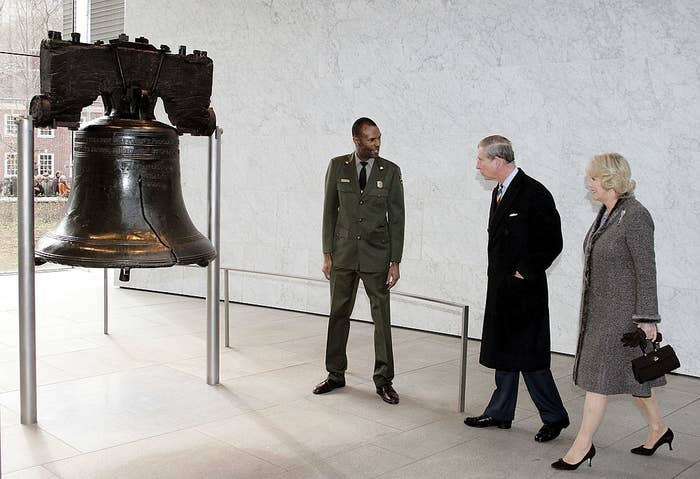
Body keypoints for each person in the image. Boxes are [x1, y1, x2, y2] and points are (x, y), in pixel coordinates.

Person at [552, 153, 670, 470]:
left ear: (608, 180)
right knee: (636, 376)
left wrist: (647, 318)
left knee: (599, 380)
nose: (588, 184)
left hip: (623, 315)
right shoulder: (608, 213)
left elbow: (647, 271)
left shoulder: (636, 216)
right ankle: (659, 428)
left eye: (592, 178)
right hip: (600, 310)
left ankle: (582, 446)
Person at [464, 135, 569, 442]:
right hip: (501, 288)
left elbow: (553, 241)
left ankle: (555, 416)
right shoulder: (498, 191)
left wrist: (526, 271)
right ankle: (500, 411)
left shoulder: (534, 193)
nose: (478, 164)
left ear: (498, 161)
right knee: (503, 352)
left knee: (530, 359)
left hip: (525, 292)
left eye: (481, 159)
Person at [313, 117, 405, 404]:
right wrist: (327, 253)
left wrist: (395, 261)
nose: (377, 144)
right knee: (338, 314)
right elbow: (329, 211)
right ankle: (335, 373)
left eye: (379, 138)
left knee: (381, 319)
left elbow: (397, 218)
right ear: (356, 140)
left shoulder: (390, 171)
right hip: (343, 255)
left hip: (377, 255)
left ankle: (384, 380)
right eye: (371, 139)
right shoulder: (337, 166)